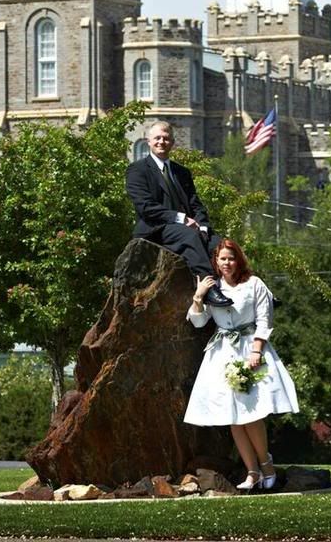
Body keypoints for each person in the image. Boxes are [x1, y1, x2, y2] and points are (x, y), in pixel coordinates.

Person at [184, 238, 299, 491]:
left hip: (249, 347)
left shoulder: (254, 284)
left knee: (252, 413)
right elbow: (199, 323)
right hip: (222, 352)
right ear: (216, 261)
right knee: (233, 416)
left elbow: (264, 319)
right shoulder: (213, 287)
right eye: (222, 258)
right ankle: (252, 472)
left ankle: (266, 463)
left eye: (231, 258)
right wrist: (199, 296)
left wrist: (256, 351)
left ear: (239, 260)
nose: (227, 263)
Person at [126, 121, 232, 307]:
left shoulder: (181, 172)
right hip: (156, 228)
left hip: (186, 226)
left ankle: (248, 286)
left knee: (221, 245)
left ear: (173, 142)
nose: (161, 142)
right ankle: (208, 290)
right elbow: (145, 207)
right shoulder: (137, 170)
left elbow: (195, 203)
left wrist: (204, 226)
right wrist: (181, 218)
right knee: (190, 236)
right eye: (157, 138)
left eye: (166, 138)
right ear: (149, 141)